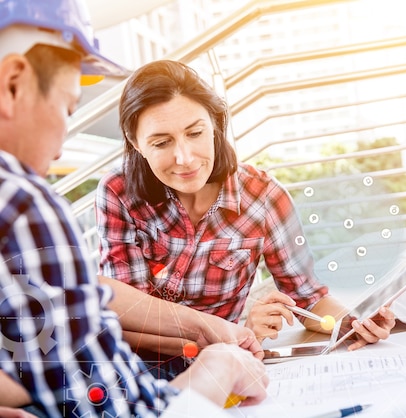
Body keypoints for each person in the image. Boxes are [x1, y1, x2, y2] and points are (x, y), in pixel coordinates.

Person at [0, 0, 267, 416]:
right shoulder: (18, 203)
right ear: (13, 84)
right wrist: (221, 365)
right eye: (68, 108)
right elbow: (118, 411)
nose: (62, 141)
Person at [95, 59, 397, 379]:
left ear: (215, 125)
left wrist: (355, 323)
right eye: (161, 142)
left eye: (195, 133)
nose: (184, 158)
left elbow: (308, 300)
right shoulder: (118, 193)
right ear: (134, 142)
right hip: (130, 370)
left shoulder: (264, 198)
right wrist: (233, 333)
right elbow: (129, 319)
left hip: (224, 368)